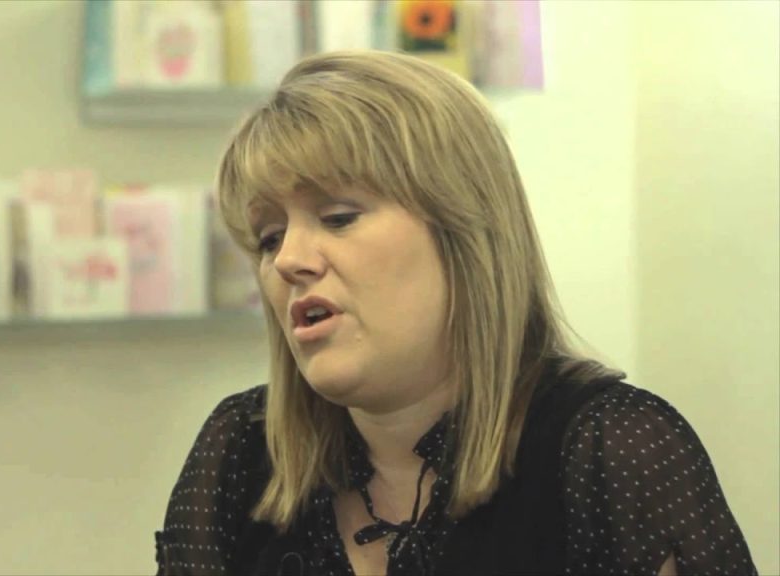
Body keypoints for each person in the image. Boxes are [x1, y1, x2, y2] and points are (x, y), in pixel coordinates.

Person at [154, 51, 756, 576]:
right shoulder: (239, 453)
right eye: (268, 238)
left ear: (463, 234)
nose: (289, 260)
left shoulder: (609, 450)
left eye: (338, 218)